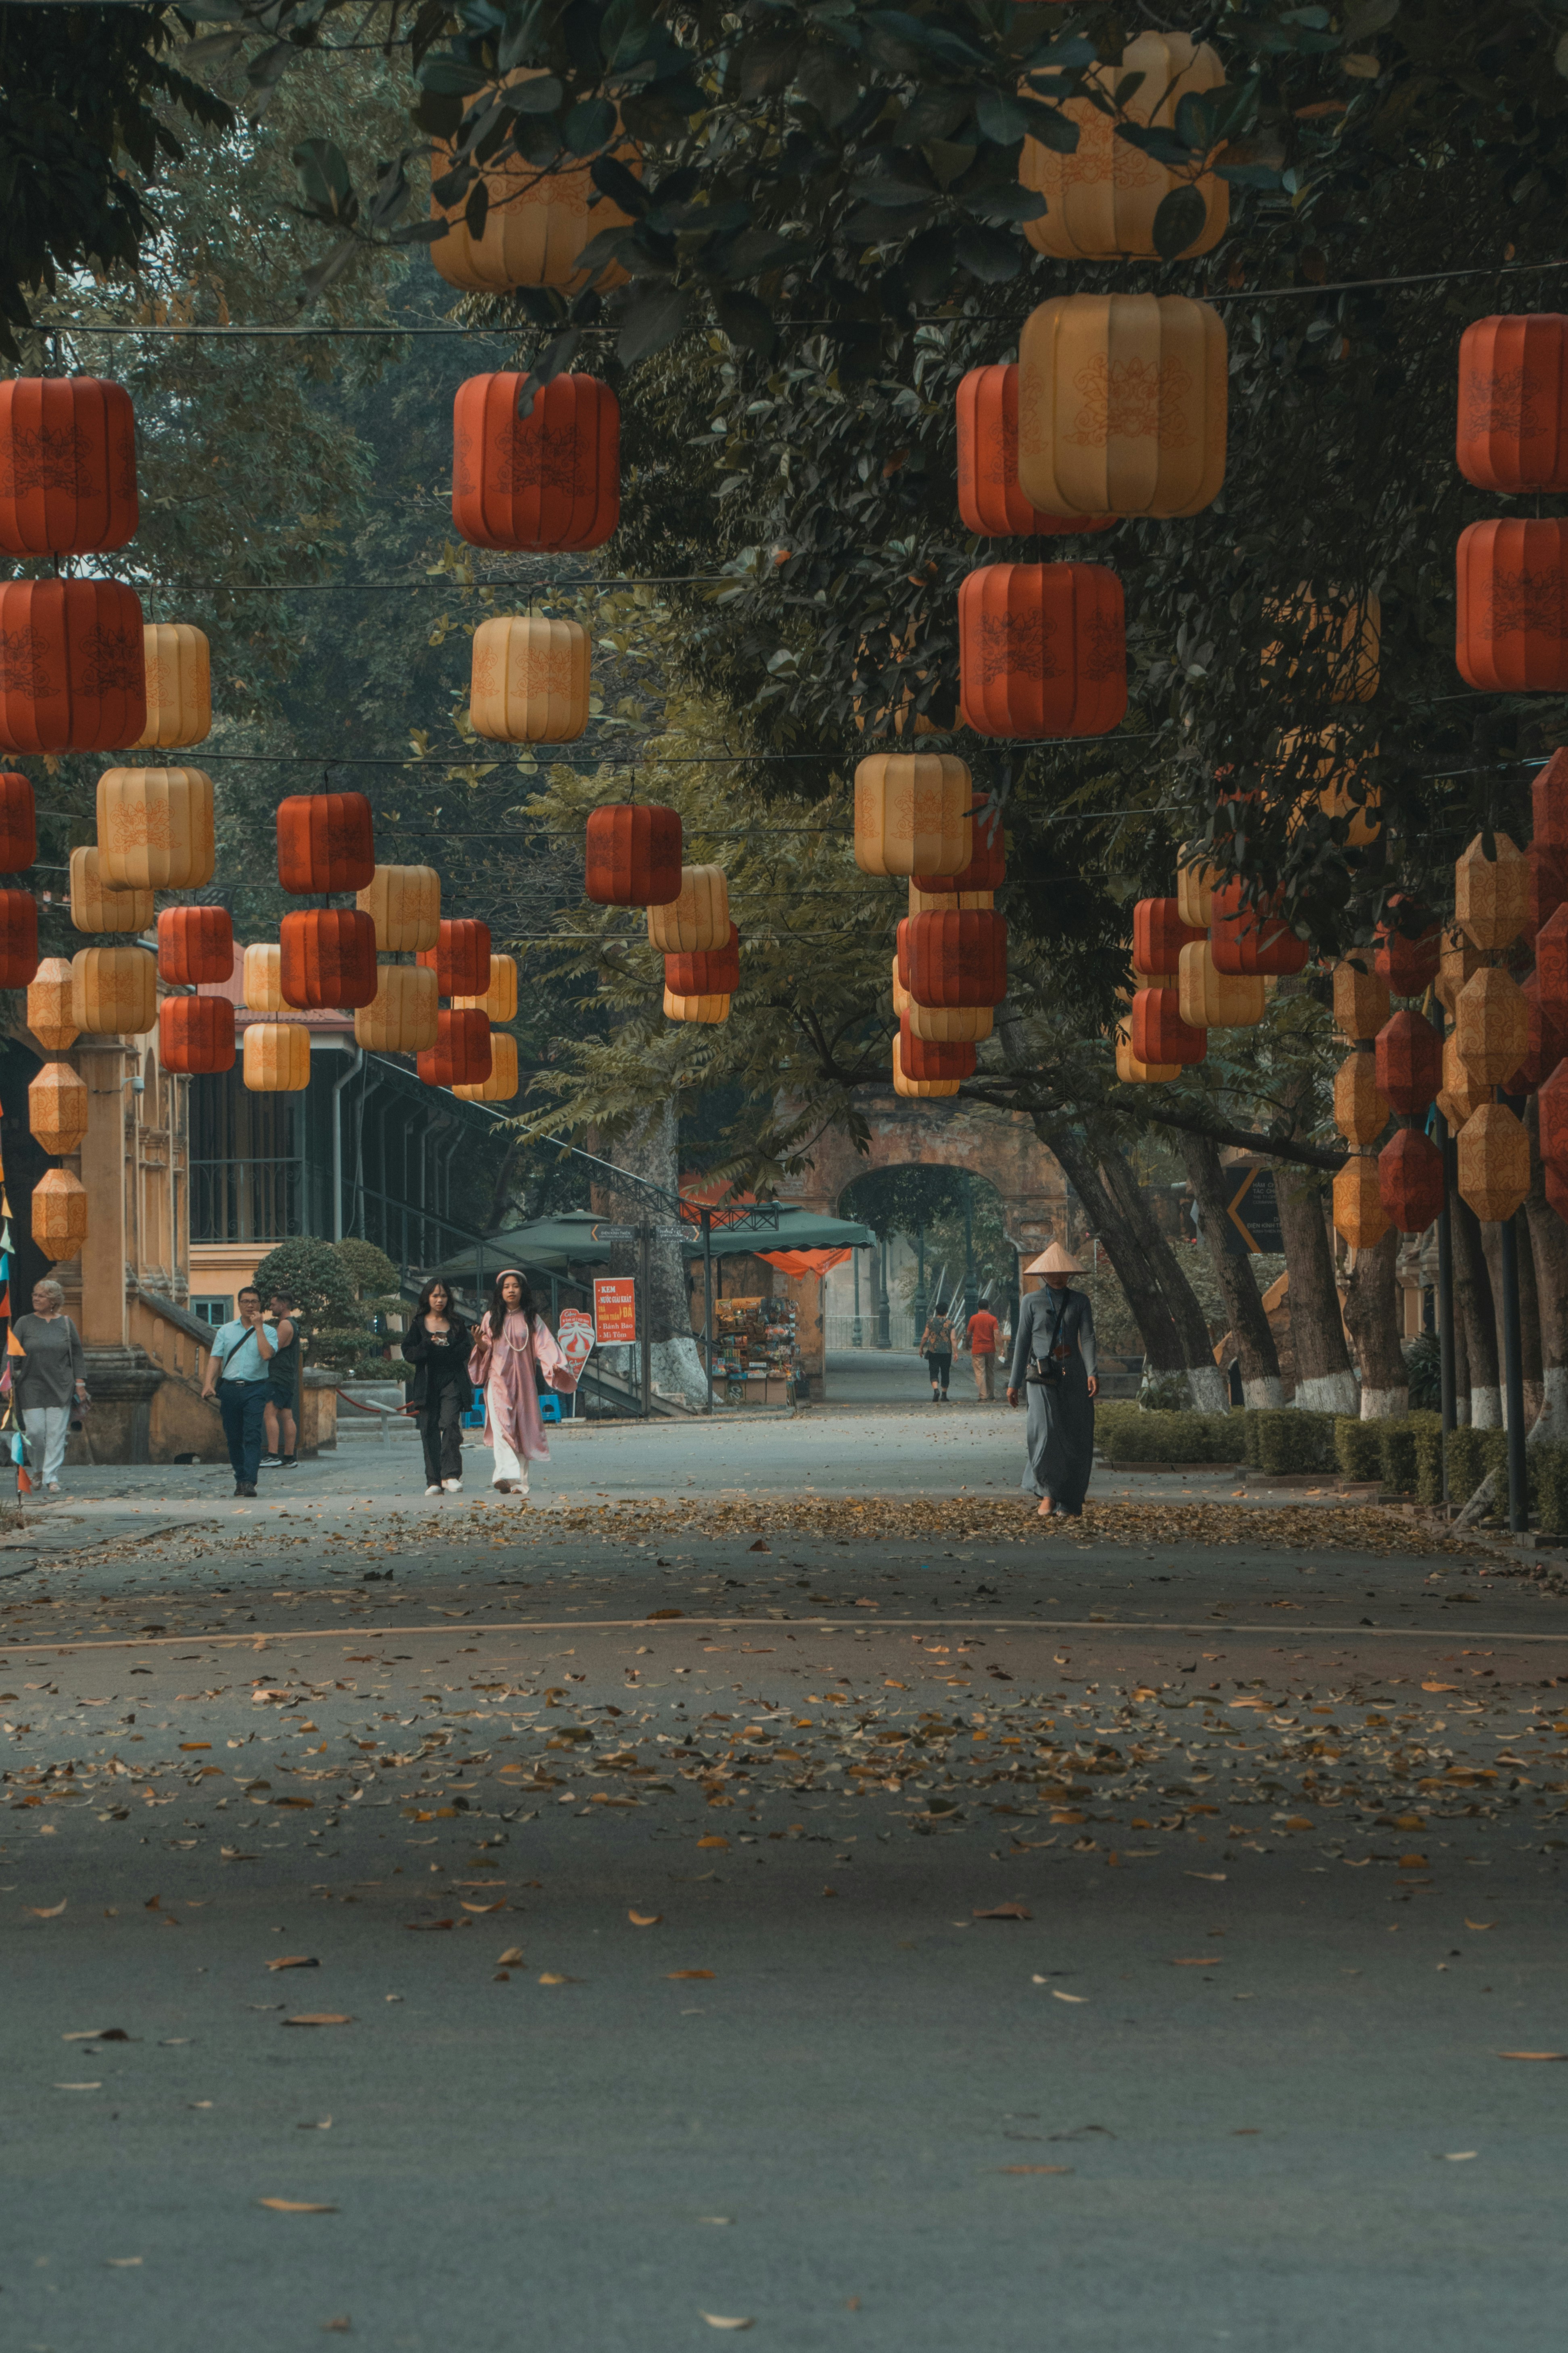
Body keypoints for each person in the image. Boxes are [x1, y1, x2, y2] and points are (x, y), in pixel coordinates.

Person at [1006, 1243, 1098, 1519]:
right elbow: (1022, 1343)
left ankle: (1070, 1501)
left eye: (1062, 1272)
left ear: (1069, 1274)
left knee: (1074, 1436)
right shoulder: (1030, 1302)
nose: (1058, 1277)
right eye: (1052, 1272)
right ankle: (1047, 1494)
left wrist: (1093, 1371)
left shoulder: (1081, 1301)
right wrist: (1014, 1383)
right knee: (1045, 1434)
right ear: (1043, 1274)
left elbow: (1089, 1338)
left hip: (1073, 1374)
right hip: (1041, 1376)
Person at [467, 1268, 576, 1499]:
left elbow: (546, 1346)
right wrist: (480, 1343)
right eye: (506, 1287)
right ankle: (504, 1475)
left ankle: (520, 1483)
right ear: (500, 1292)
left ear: (522, 1290)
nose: (511, 1290)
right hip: (498, 1381)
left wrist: (554, 1364)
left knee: (523, 1429)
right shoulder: (490, 1318)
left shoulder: (532, 1319)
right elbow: (486, 1348)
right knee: (502, 1426)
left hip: (525, 1382)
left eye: (515, 1286)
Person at [11, 1279, 88, 1497]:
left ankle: (51, 1477)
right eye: (35, 1295)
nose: (36, 1299)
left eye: (42, 1296)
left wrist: (80, 1383)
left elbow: (77, 1354)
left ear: (53, 1300)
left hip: (61, 1386)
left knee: (56, 1434)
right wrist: (5, 1379)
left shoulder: (66, 1323)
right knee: (35, 1432)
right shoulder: (24, 1323)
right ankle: (37, 1470)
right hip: (31, 1385)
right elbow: (11, 1354)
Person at [200, 1284, 277, 1497]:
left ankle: (250, 1481)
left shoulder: (269, 1331)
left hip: (256, 1388)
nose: (250, 1306)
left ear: (260, 1305)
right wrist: (208, 1383)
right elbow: (216, 1358)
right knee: (234, 1437)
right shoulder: (226, 1330)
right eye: (246, 1302)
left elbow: (267, 1355)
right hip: (230, 1389)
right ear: (239, 1304)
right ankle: (240, 1479)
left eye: (254, 1302)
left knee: (252, 1435)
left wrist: (259, 1328)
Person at [402, 1277, 473, 1497]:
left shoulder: (457, 1323)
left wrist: (449, 1347)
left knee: (451, 1424)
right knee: (429, 1429)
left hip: (452, 1378)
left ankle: (451, 1475)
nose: (439, 1300)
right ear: (427, 1298)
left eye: (443, 1296)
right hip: (427, 1382)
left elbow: (466, 1349)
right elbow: (409, 1353)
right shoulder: (418, 1324)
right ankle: (434, 1480)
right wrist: (427, 1344)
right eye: (435, 1296)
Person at [259, 1288, 299, 1470]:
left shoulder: (285, 1325)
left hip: (278, 1375)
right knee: (287, 1416)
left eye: (274, 1304)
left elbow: (273, 1350)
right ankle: (290, 1457)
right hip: (287, 1376)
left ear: (283, 1305)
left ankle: (273, 1454)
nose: (271, 1307)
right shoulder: (293, 1324)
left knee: (270, 1414)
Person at [918, 1302, 954, 1401]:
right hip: (947, 1352)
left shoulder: (930, 1322)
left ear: (937, 1311)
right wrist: (956, 1352)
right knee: (945, 1372)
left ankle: (936, 1390)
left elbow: (925, 1336)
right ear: (946, 1312)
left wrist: (921, 1348)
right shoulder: (950, 1324)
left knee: (934, 1371)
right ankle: (944, 1395)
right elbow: (953, 1339)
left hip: (933, 1351)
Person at [967, 1298, 1001, 1401]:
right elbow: (997, 1334)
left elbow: (968, 1334)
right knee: (990, 1372)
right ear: (989, 1308)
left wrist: (967, 1344)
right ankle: (991, 1395)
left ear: (978, 1308)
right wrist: (1001, 1347)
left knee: (980, 1373)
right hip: (990, 1349)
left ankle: (983, 1396)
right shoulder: (993, 1319)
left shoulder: (974, 1318)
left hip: (978, 1349)